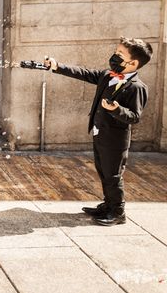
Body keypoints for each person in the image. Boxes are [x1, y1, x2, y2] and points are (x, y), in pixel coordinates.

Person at [44, 37, 152, 226]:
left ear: (133, 63)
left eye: (120, 55)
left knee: (113, 175)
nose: (114, 57)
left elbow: (135, 116)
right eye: (116, 52)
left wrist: (116, 109)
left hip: (115, 140)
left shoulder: (137, 87)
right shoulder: (107, 76)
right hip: (99, 133)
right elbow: (85, 73)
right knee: (103, 171)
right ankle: (108, 205)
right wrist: (57, 66)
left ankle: (118, 212)